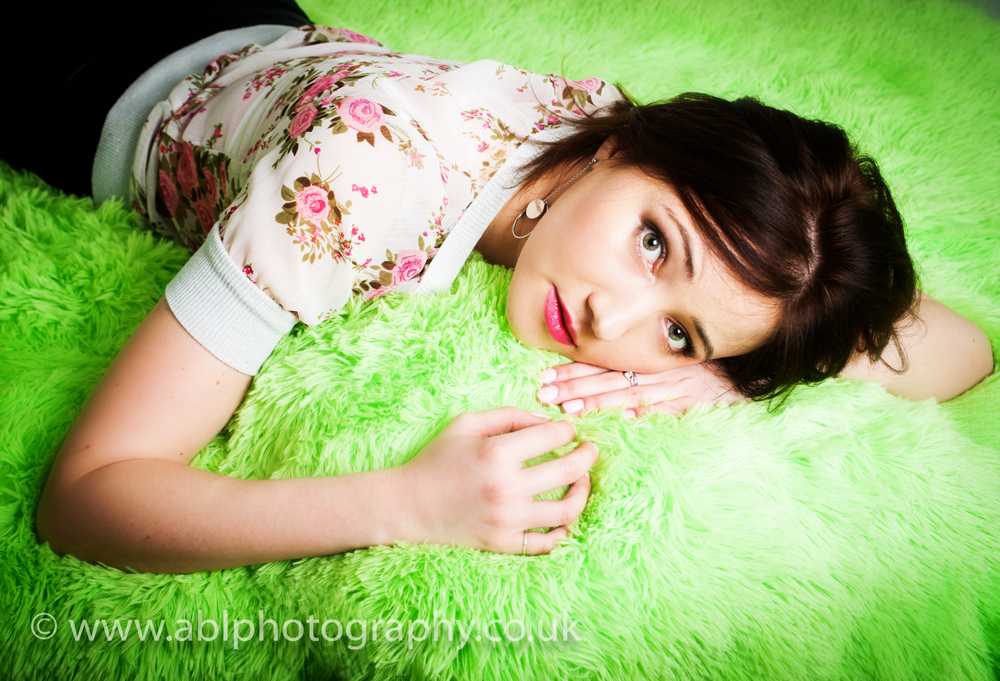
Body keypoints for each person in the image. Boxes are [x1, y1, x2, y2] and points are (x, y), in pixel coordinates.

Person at [18, 8, 992, 574]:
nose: (612, 317)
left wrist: (732, 368)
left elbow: (963, 349)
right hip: (85, 78)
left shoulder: (617, 156)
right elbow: (87, 496)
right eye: (654, 244)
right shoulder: (354, 185)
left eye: (678, 333)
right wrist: (401, 504)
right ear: (618, 145)